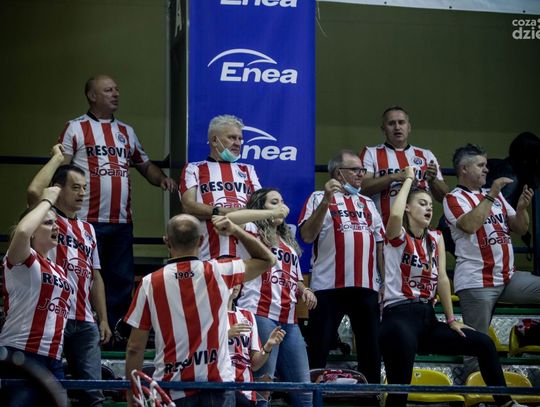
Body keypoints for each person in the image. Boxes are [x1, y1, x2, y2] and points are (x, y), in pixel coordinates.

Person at [380, 166, 527, 407]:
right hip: (398, 317)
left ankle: (506, 403)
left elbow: (442, 279)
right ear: (407, 207)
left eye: (430, 205)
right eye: (422, 204)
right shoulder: (398, 236)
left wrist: (450, 320)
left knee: (483, 343)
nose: (429, 208)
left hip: (427, 319)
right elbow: (394, 216)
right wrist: (408, 180)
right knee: (400, 389)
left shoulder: (435, 237)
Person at [58, 74, 177, 329]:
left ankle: (116, 330)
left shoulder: (126, 131)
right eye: (109, 90)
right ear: (92, 96)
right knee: (84, 274)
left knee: (121, 279)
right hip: (85, 220)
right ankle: (84, 328)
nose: (116, 94)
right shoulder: (75, 128)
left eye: (116, 89)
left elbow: (144, 165)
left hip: (121, 221)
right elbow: (61, 170)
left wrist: (162, 179)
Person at [124, 214, 276, 407]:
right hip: (218, 387)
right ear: (201, 240)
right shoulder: (220, 271)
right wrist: (235, 230)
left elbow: (134, 347)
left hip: (172, 390)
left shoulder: (149, 283)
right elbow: (268, 259)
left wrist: (132, 393)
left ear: (166, 241)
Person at [27, 144, 112, 406]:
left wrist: (103, 319)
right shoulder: (47, 218)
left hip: (85, 320)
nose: (82, 193)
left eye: (84, 188)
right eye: (75, 187)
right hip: (53, 315)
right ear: (57, 189)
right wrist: (57, 159)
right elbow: (33, 192)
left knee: (94, 394)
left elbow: (95, 276)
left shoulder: (88, 229)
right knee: (50, 393)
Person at [443, 143, 540, 374]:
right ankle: (474, 390)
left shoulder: (496, 198)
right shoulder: (453, 198)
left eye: (486, 165)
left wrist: (522, 208)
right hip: (477, 282)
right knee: (475, 350)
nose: (487, 169)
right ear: (464, 169)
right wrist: (492, 193)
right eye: (481, 165)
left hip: (508, 277)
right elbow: (469, 225)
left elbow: (520, 228)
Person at [298, 150, 384, 384]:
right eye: (355, 170)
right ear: (338, 173)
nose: (361, 174)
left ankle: (370, 396)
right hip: (328, 286)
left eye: (362, 170)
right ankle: (311, 396)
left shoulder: (367, 203)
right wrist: (327, 200)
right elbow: (306, 236)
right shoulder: (317, 198)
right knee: (319, 346)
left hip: (366, 286)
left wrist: (384, 283)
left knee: (371, 348)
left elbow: (379, 245)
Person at [228, 188, 317, 407]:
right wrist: (267, 214)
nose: (281, 206)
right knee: (263, 388)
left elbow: (296, 279)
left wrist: (305, 290)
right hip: (260, 313)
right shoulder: (252, 230)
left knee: (304, 391)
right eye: (273, 202)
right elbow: (229, 218)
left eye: (282, 202)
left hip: (290, 319)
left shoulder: (288, 242)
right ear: (260, 207)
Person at [0, 187, 72, 405]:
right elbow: (22, 232)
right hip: (22, 353)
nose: (56, 227)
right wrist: (47, 201)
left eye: (56, 223)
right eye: (48, 223)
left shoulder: (58, 269)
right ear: (33, 230)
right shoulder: (24, 258)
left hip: (54, 358)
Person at [180, 114, 261, 260]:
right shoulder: (194, 168)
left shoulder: (248, 169)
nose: (238, 143)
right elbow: (188, 206)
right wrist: (226, 212)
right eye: (232, 138)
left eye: (240, 139)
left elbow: (260, 206)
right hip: (208, 255)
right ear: (214, 140)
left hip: (246, 255)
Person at [359, 106, 448, 224]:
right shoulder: (371, 153)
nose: (397, 127)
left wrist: (433, 180)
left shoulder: (426, 155)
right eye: (391, 123)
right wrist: (393, 177)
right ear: (383, 129)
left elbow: (445, 197)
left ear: (409, 127)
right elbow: (362, 188)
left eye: (401, 122)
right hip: (383, 227)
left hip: (419, 230)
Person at [227, 285, 285, 406]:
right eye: (231, 279)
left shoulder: (247, 315)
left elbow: (254, 365)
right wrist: (226, 335)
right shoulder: (208, 315)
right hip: (219, 388)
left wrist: (268, 346)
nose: (236, 285)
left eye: (238, 281)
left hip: (246, 391)